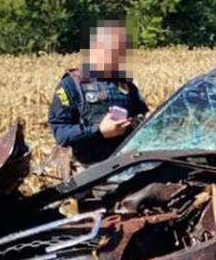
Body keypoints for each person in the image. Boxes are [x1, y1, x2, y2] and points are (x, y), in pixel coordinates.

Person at [48, 23, 148, 165]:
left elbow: (143, 118)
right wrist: (99, 130)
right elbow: (61, 133)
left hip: (125, 165)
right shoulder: (71, 86)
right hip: (88, 170)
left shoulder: (126, 85)